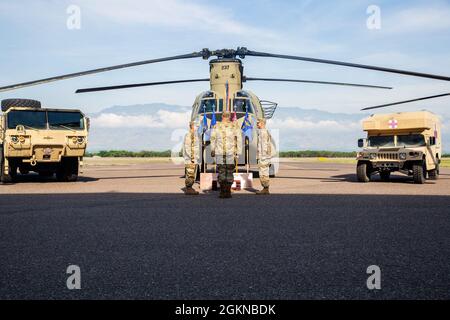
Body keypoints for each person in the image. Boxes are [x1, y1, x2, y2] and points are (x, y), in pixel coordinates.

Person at [210, 111, 242, 198]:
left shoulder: (216, 126)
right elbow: (239, 139)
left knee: (221, 171)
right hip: (230, 153)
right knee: (229, 172)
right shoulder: (234, 126)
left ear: (222, 116)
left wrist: (212, 150)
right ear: (230, 116)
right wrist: (239, 152)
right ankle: (228, 191)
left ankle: (222, 191)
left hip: (219, 153)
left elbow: (213, 139)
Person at [183, 121, 200, 195]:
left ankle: (189, 188)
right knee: (190, 174)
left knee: (192, 174)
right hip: (191, 159)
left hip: (193, 159)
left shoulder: (194, 135)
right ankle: (189, 189)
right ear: (192, 126)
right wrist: (192, 158)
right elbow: (188, 148)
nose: (197, 127)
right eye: (196, 126)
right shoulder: (190, 135)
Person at [256, 118, 272, 195]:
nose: (257, 124)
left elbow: (264, 145)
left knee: (263, 172)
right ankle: (265, 188)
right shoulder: (264, 131)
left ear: (262, 123)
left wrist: (263, 156)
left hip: (263, 156)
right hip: (265, 156)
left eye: (258, 123)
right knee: (264, 172)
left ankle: (265, 189)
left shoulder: (263, 132)